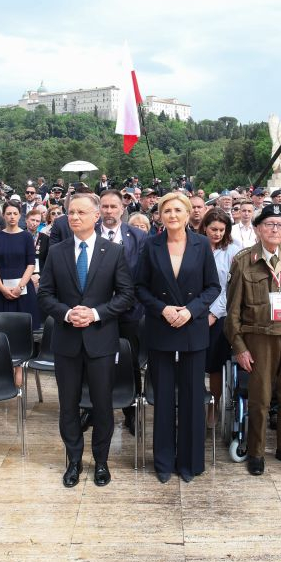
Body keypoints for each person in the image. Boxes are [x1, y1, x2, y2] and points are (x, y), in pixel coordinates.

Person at [36, 192, 136, 488]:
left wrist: (94, 313)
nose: (75, 217)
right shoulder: (57, 251)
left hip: (101, 340)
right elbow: (44, 295)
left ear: (96, 217)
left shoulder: (113, 251)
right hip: (67, 340)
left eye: (81, 212)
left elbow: (126, 296)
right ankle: (74, 461)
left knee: (102, 405)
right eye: (71, 213)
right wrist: (67, 314)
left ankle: (101, 462)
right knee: (67, 405)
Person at [224, 203, 281, 476]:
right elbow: (232, 313)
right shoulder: (244, 261)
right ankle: (255, 452)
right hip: (259, 340)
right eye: (268, 224)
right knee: (260, 400)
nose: (275, 229)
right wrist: (239, 347)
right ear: (257, 229)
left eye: (280, 224)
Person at [136, 194, 220, 483]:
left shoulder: (202, 245)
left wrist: (192, 311)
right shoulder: (151, 245)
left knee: (192, 397)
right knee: (162, 397)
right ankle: (162, 462)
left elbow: (212, 287)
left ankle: (189, 462)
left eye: (178, 210)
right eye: (167, 210)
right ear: (160, 215)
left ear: (188, 215)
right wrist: (162, 309)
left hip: (192, 329)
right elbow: (140, 288)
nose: (173, 215)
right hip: (161, 328)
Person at [98, 190, 147, 434]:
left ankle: (131, 413)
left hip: (129, 312)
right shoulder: (89, 234)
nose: (109, 211)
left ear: (122, 209)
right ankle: (96, 410)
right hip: (96, 312)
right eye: (104, 206)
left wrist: (132, 300)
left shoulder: (138, 237)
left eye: (113, 207)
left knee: (129, 362)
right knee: (97, 362)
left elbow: (143, 274)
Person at [199, 208, 241, 429]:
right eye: (213, 229)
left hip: (221, 314)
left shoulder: (234, 251)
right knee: (194, 362)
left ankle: (213, 408)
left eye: (221, 230)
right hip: (195, 312)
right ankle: (195, 403)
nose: (216, 234)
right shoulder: (194, 246)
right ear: (204, 227)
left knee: (215, 365)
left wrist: (214, 313)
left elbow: (230, 287)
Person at [0, 202, 39, 348]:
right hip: (0, 289)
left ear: (20, 215)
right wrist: (2, 288)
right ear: (3, 215)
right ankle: (3, 366)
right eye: (8, 213)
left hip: (22, 289)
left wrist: (20, 286)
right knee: (0, 331)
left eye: (15, 213)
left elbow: (31, 264)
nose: (12, 217)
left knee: (21, 332)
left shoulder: (27, 236)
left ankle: (19, 369)